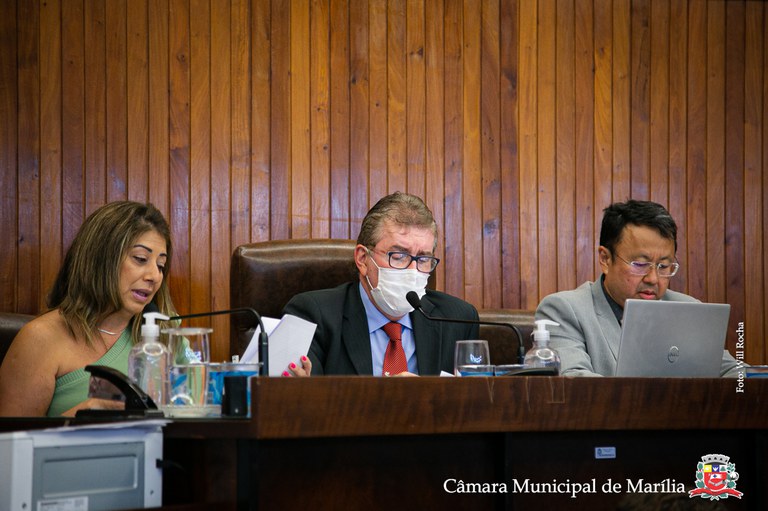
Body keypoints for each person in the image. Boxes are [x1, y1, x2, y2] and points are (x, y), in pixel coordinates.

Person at [0, 201, 176, 416]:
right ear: (101, 260)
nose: (154, 276)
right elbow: (12, 437)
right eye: (140, 259)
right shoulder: (40, 338)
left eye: (160, 265)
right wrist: (86, 413)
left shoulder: (166, 336)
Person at [535, 199, 740, 377]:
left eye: (663, 266)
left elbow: (735, 373)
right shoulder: (564, 310)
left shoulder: (688, 310)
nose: (653, 278)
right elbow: (576, 384)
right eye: (640, 264)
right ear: (605, 259)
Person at [284, 192, 479, 376]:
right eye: (399, 256)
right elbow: (304, 394)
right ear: (363, 259)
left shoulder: (458, 319)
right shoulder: (314, 316)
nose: (412, 271)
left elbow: (473, 397)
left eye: (423, 259)